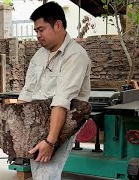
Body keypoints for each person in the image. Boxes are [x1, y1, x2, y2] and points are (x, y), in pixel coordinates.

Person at [17, 1, 91, 180]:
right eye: (36, 31)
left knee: (46, 176)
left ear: (58, 25)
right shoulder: (39, 55)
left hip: (62, 123)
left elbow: (61, 100)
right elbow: (27, 92)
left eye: (41, 30)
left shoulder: (75, 56)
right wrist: (20, 128)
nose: (38, 35)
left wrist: (51, 141)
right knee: (39, 174)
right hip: (36, 121)